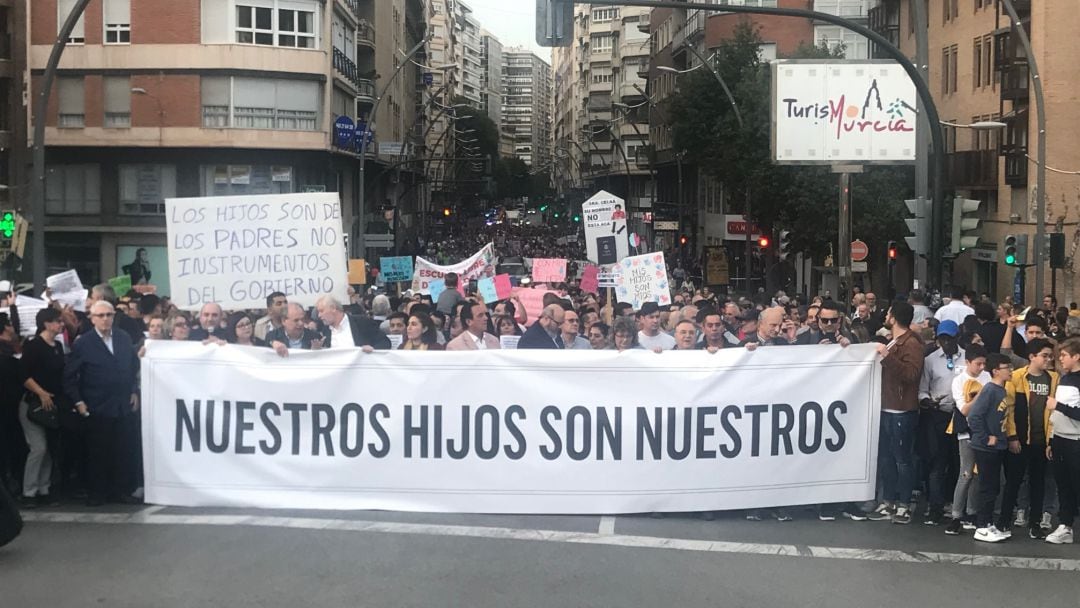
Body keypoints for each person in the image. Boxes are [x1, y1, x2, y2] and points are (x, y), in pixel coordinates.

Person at [63, 301, 140, 507]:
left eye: (109, 314)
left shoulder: (123, 338)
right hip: (97, 405)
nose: (105, 319)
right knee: (98, 452)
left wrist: (133, 390)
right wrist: (78, 401)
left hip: (122, 404)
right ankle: (97, 492)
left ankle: (121, 490)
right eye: (101, 315)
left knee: (122, 450)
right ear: (92, 318)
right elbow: (70, 376)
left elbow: (132, 366)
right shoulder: (83, 343)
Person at [872, 302, 924, 524]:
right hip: (886, 406)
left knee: (902, 459)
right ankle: (888, 500)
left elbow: (911, 374)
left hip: (902, 409)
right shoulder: (895, 341)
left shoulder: (911, 343)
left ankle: (904, 504)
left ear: (893, 318)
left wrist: (887, 356)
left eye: (888, 313)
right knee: (886, 457)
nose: (885, 315)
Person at [1003, 337, 1057, 539]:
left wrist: (1050, 440)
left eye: (1051, 356)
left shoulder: (1053, 378)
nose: (1048, 360)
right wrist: (1012, 436)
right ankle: (1004, 522)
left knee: (1038, 482)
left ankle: (1035, 523)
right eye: (1044, 356)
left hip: (1041, 440)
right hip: (1020, 438)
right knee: (1014, 481)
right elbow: (1009, 409)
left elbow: (1053, 413)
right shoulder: (1017, 377)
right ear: (1032, 357)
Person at [16, 308, 66, 508]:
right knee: (38, 447)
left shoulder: (58, 346)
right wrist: (41, 392)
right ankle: (29, 491)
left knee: (49, 448)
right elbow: (24, 374)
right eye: (57, 321)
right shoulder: (34, 345)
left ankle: (43, 488)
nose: (61, 325)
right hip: (32, 403)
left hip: (52, 404)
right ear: (46, 323)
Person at [917, 319, 965, 525]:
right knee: (937, 461)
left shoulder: (966, 358)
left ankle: (953, 503)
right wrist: (928, 402)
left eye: (949, 339)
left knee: (959, 461)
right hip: (938, 414)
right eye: (942, 339)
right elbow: (922, 389)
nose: (945, 343)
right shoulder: (930, 360)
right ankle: (935, 506)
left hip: (961, 414)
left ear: (956, 338)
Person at [966, 353, 1013, 542]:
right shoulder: (990, 390)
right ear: (995, 371)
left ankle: (989, 523)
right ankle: (982, 525)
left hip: (998, 445)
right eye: (1006, 368)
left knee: (994, 486)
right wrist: (986, 438)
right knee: (987, 486)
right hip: (986, 447)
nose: (1010, 371)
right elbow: (974, 416)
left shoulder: (1002, 391)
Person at [945, 344, 989, 535]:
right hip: (966, 431)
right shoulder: (959, 381)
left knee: (978, 474)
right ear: (968, 362)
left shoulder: (987, 377)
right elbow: (964, 409)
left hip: (984, 430)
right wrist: (981, 394)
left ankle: (972, 511)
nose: (981, 368)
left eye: (983, 364)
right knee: (966, 472)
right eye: (978, 364)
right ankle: (956, 515)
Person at [1044, 337, 1080, 544]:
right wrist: (1051, 439)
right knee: (1063, 484)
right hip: (1059, 438)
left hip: (1076, 440)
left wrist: (1058, 405)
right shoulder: (1063, 379)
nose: (1061, 359)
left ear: (1076, 357)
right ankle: (1065, 526)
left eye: (1065, 355)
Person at [316, 295, 391, 350]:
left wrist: (373, 349)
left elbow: (385, 342)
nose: (319, 315)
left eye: (321, 311)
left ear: (333, 308)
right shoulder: (325, 331)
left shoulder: (362, 323)